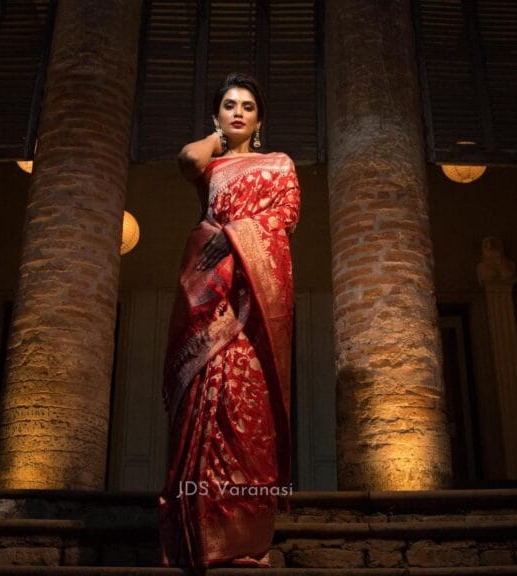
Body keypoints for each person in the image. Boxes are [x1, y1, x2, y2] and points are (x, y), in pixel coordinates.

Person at [158, 72, 300, 572]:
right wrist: (217, 139)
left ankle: (242, 537)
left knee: (246, 413)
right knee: (201, 406)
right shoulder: (211, 163)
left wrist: (236, 232)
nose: (239, 112)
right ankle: (194, 535)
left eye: (248, 107)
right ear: (217, 116)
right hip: (208, 297)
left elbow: (286, 215)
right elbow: (187, 160)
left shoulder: (279, 163)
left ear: (261, 120)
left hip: (252, 308)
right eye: (229, 106)